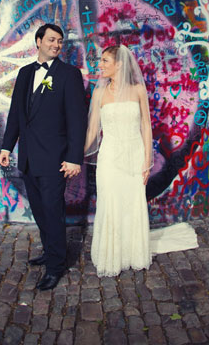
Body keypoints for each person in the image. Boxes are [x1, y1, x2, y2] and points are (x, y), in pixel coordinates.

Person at [85, 44, 198, 277]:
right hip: (109, 158)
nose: (100, 65)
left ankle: (132, 252)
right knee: (111, 202)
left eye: (105, 61)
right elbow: (92, 130)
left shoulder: (137, 90)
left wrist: (147, 161)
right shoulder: (99, 93)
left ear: (119, 64)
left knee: (131, 203)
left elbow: (146, 126)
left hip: (134, 155)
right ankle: (111, 255)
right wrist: (73, 156)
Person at [0, 23, 87, 290]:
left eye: (60, 41)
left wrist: (74, 158)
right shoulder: (25, 73)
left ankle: (55, 266)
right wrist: (6, 147)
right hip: (28, 157)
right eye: (51, 40)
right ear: (38, 41)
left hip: (55, 159)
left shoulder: (69, 74)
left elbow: (77, 119)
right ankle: (50, 252)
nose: (56, 45)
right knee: (39, 211)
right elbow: (16, 113)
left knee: (52, 211)